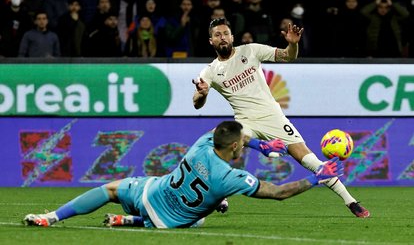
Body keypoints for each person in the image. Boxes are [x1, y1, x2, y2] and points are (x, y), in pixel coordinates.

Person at [192, 17, 370, 218]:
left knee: (309, 159)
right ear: (211, 41)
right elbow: (197, 101)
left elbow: (287, 56)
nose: (222, 38)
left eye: (225, 33)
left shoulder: (251, 50)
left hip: (273, 117)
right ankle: (219, 195)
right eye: (217, 35)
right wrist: (203, 93)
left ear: (232, 36)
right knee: (220, 142)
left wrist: (292, 44)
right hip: (244, 121)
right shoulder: (210, 71)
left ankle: (350, 201)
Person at [23, 120, 343, 228]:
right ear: (234, 147)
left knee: (109, 189)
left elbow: (227, 131)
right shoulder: (231, 177)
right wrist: (317, 176)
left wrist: (260, 145)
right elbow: (278, 192)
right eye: (241, 146)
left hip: (151, 193)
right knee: (206, 210)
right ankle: (141, 222)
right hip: (173, 221)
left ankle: (50, 218)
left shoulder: (202, 143)